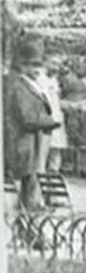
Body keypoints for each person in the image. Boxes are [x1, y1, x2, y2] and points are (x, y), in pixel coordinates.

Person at [4, 37, 60, 211]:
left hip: (32, 143)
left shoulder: (32, 86)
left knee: (31, 182)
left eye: (38, 65)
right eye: (32, 65)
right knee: (27, 183)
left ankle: (29, 217)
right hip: (24, 143)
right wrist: (50, 122)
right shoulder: (20, 88)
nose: (37, 69)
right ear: (23, 67)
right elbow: (27, 119)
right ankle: (29, 216)